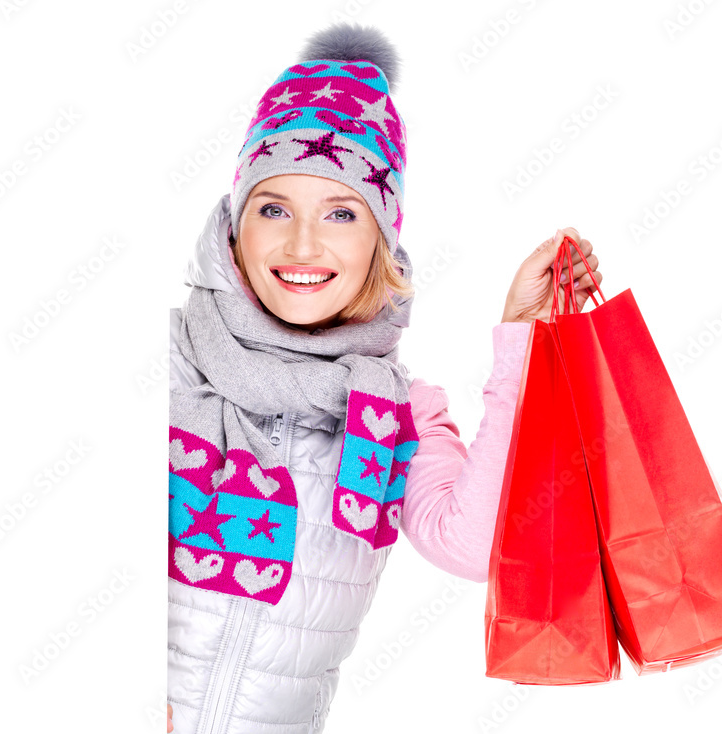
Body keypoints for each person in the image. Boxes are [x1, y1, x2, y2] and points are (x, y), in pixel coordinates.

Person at [166, 22, 601, 733]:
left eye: (342, 213)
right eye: (274, 208)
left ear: (380, 242)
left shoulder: (393, 413)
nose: (303, 243)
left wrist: (523, 339)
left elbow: (469, 546)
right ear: (235, 225)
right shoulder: (168, 360)